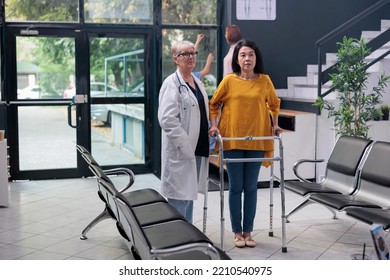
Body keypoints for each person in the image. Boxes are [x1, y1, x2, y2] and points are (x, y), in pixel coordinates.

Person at [208, 39, 283, 248]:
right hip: (233, 139)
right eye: (242, 55)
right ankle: (236, 232)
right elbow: (213, 104)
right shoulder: (229, 80)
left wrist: (275, 125)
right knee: (235, 187)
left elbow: (274, 104)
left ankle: (248, 232)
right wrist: (214, 126)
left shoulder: (265, 81)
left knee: (251, 187)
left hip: (257, 139)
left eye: (250, 54)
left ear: (256, 57)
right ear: (237, 59)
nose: (247, 58)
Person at [158, 40, 210, 223]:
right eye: (185, 54)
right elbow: (167, 119)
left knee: (188, 194)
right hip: (181, 151)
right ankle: (177, 241)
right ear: (175, 59)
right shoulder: (171, 84)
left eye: (193, 53)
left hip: (197, 148)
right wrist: (184, 143)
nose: (190, 57)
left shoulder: (196, 81)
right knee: (178, 198)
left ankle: (188, 238)